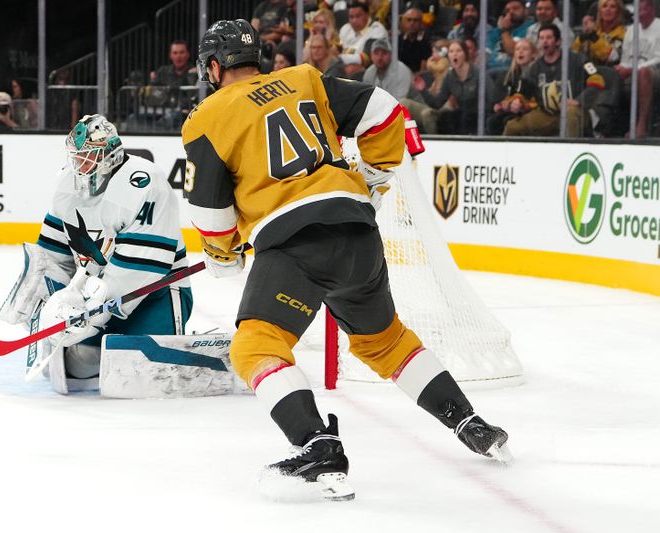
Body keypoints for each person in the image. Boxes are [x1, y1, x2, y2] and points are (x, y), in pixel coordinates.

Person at [182, 19, 510, 501]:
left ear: (214, 66)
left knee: (255, 347)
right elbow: (384, 110)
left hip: (295, 242)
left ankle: (317, 443)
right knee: (386, 342)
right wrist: (374, 176)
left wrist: (222, 256)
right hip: (358, 231)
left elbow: (211, 213)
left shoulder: (206, 116)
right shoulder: (303, 78)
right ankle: (468, 421)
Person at [0, 114, 194, 392]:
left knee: (146, 372)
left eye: (87, 156)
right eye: (75, 156)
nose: (78, 164)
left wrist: (90, 315)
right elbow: (53, 255)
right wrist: (47, 301)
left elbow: (141, 270)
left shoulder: (145, 182)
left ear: (109, 155)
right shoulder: (68, 185)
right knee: (78, 365)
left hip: (155, 293)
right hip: (94, 299)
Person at [504, 24, 605, 137]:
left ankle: (570, 151)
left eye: (549, 38)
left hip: (576, 110)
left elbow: (598, 80)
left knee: (571, 113)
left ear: (558, 41)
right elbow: (523, 92)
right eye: (541, 38)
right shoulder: (535, 67)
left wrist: (579, 101)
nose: (544, 41)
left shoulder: (578, 59)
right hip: (547, 113)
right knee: (513, 126)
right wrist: (517, 101)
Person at [615, 0, 660, 137]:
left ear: (652, 10)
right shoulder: (631, 29)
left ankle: (642, 124)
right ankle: (606, 126)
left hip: (654, 71)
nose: (639, 14)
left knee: (643, 73)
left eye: (643, 10)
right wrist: (621, 69)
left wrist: (632, 70)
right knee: (610, 75)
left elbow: (658, 59)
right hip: (632, 71)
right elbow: (625, 59)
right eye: (638, 10)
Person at [414, 40, 480, 134]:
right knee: (446, 118)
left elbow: (490, 99)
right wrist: (423, 89)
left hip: (478, 115)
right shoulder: (450, 77)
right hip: (461, 115)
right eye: (451, 51)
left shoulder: (477, 73)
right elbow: (437, 103)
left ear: (465, 54)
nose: (455, 54)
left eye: (458, 51)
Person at [487, 38, 538, 134]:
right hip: (508, 113)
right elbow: (496, 101)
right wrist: (501, 105)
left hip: (529, 113)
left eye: (525, 49)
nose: (521, 52)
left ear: (533, 54)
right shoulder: (506, 76)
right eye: (517, 49)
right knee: (493, 121)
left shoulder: (538, 74)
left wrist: (522, 105)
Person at [338, 0, 388, 77]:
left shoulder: (377, 30)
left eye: (358, 16)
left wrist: (339, 58)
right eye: (351, 17)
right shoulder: (345, 28)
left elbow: (366, 59)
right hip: (344, 66)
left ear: (367, 15)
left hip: (370, 72)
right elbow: (337, 49)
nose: (354, 21)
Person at [572, 0, 626, 66]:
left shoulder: (624, 33)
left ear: (618, 12)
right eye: (604, 6)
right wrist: (584, 34)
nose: (608, 9)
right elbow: (573, 54)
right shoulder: (593, 30)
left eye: (613, 7)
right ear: (599, 11)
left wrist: (593, 36)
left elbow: (613, 57)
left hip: (609, 73)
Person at [486, 0, 531, 71]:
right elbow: (485, 53)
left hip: (510, 72)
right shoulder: (496, 31)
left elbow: (512, 51)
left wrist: (504, 30)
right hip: (489, 72)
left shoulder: (530, 28)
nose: (511, 12)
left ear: (525, 11)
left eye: (515, 8)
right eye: (507, 10)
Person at [398, 6, 432, 73]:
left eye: (415, 20)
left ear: (421, 23)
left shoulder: (426, 41)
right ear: (404, 22)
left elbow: (423, 71)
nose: (412, 23)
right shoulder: (399, 39)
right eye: (409, 20)